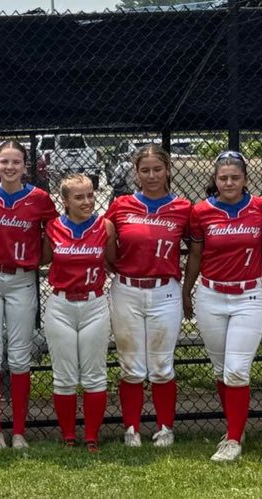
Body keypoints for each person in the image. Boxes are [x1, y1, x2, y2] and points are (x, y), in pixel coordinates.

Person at [184, 151, 262, 462]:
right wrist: (186, 291)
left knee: (236, 370)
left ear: (245, 179)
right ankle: (237, 426)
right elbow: (195, 254)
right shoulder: (202, 211)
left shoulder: (259, 206)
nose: (229, 182)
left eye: (235, 177)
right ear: (215, 180)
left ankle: (232, 439)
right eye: (223, 178)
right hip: (211, 295)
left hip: (248, 295)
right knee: (221, 370)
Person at [0, 141, 57, 449]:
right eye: (4, 161)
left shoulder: (39, 198)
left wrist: (40, 258)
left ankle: (19, 431)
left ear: (25, 166)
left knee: (20, 355)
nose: (10, 167)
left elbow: (55, 233)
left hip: (22, 278)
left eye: (16, 162)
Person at [107, 144, 191, 448]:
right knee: (130, 364)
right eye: (145, 170)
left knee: (161, 364)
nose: (152, 175)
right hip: (127, 288)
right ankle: (131, 428)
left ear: (167, 170)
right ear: (136, 172)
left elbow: (196, 248)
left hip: (164, 290)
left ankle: (165, 427)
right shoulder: (121, 205)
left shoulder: (183, 207)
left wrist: (186, 292)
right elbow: (105, 239)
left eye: (157, 169)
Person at [43, 174, 114, 452]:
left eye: (90, 195)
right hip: (60, 304)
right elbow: (42, 258)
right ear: (65, 201)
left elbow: (113, 261)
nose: (86, 201)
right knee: (64, 375)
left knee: (95, 374)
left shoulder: (104, 226)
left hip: (94, 303)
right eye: (79, 197)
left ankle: (92, 437)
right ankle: (69, 436)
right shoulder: (53, 227)